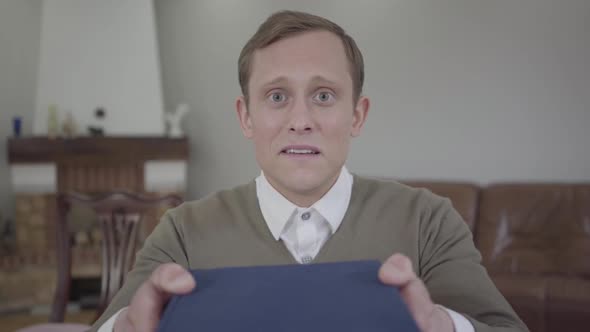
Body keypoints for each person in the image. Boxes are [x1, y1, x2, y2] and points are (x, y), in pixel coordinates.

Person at [93, 10, 528, 332]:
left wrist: (439, 325)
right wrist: (130, 328)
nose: (300, 119)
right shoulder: (182, 232)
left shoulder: (429, 221)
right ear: (246, 117)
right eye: (278, 97)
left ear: (357, 116)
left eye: (322, 96)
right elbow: (110, 325)